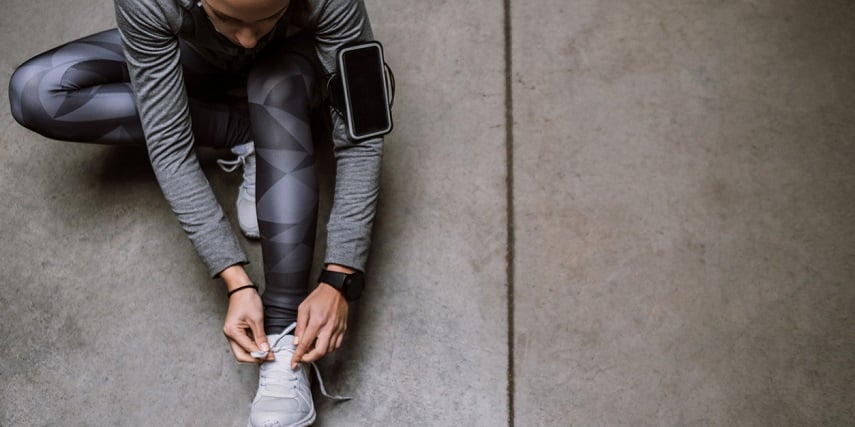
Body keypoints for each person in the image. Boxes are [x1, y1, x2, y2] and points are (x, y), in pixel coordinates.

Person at [8, 0, 385, 425]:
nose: (248, 39)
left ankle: (284, 333)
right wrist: (234, 279)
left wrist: (340, 276)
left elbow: (362, 138)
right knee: (37, 91)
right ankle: (247, 130)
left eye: (267, 18)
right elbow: (170, 149)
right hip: (199, 54)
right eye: (227, 18)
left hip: (296, 68)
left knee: (274, 82)